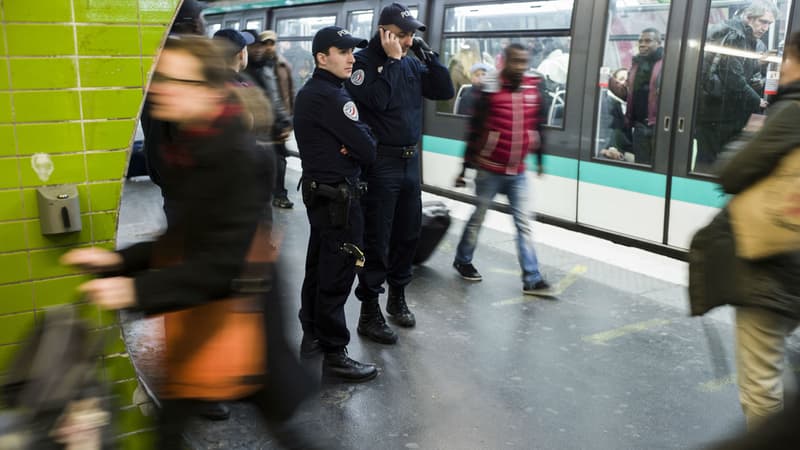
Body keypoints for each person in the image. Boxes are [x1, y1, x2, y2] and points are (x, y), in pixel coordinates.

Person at [60, 36, 280, 446]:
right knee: (174, 422)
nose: (160, 88)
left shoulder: (238, 156)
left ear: (212, 91)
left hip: (241, 309)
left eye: (178, 81)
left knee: (283, 421)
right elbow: (185, 239)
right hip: (203, 306)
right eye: (160, 78)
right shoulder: (193, 141)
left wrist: (131, 288)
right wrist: (118, 262)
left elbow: (220, 263)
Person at [345, 2, 454, 344]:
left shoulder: (410, 61)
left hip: (409, 163)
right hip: (381, 164)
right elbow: (375, 100)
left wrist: (428, 54)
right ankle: (369, 311)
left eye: (411, 36)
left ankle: (397, 296)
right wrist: (391, 62)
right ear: (384, 32)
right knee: (378, 237)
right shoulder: (361, 64)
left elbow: (443, 90)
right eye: (404, 35)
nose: (408, 41)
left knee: (408, 234)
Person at [715, 30, 800, 430]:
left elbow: (731, 172)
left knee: (761, 387)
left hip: (777, 265)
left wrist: (750, 135)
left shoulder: (793, 110)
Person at [294, 26, 378, 382]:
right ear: (321, 58)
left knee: (318, 268)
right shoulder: (331, 97)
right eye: (342, 52)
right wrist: (355, 143)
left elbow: (361, 139)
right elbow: (369, 148)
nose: (351, 57)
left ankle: (312, 337)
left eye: (352, 51)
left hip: (322, 197)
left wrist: (355, 140)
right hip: (338, 201)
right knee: (337, 274)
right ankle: (335, 353)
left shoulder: (314, 92)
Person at [451, 43, 551, 295]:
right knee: (478, 219)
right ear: (504, 62)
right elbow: (474, 131)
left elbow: (538, 125)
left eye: (524, 62)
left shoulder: (532, 88)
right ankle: (463, 260)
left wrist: (539, 160)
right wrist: (464, 169)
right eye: (515, 61)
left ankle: (532, 278)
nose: (520, 67)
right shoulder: (489, 89)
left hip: (518, 171)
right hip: (489, 170)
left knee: (523, 224)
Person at [695, 0, 777, 170]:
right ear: (749, 18)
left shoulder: (747, 38)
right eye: (763, 22)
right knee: (708, 164)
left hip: (721, 112)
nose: (766, 28)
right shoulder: (735, 36)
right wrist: (757, 101)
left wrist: (758, 64)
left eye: (769, 24)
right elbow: (733, 77)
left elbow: (737, 68)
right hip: (716, 112)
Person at [245, 31, 294, 209]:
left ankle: (278, 195)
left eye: (260, 45)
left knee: (279, 162)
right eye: (254, 45)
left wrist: (286, 120)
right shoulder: (241, 72)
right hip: (253, 133)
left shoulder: (268, 67)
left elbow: (277, 97)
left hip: (272, 127)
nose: (259, 49)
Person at [624, 28, 663, 165]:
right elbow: (629, 94)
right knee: (641, 167)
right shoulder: (636, 64)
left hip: (659, 127)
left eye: (648, 41)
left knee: (659, 166)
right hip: (640, 126)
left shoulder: (667, 63)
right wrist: (609, 82)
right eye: (640, 41)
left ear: (658, 43)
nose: (642, 44)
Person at [598, 68, 633, 161]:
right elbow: (609, 129)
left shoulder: (627, 104)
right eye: (621, 79)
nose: (625, 82)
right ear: (614, 82)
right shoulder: (608, 103)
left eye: (627, 80)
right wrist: (613, 148)